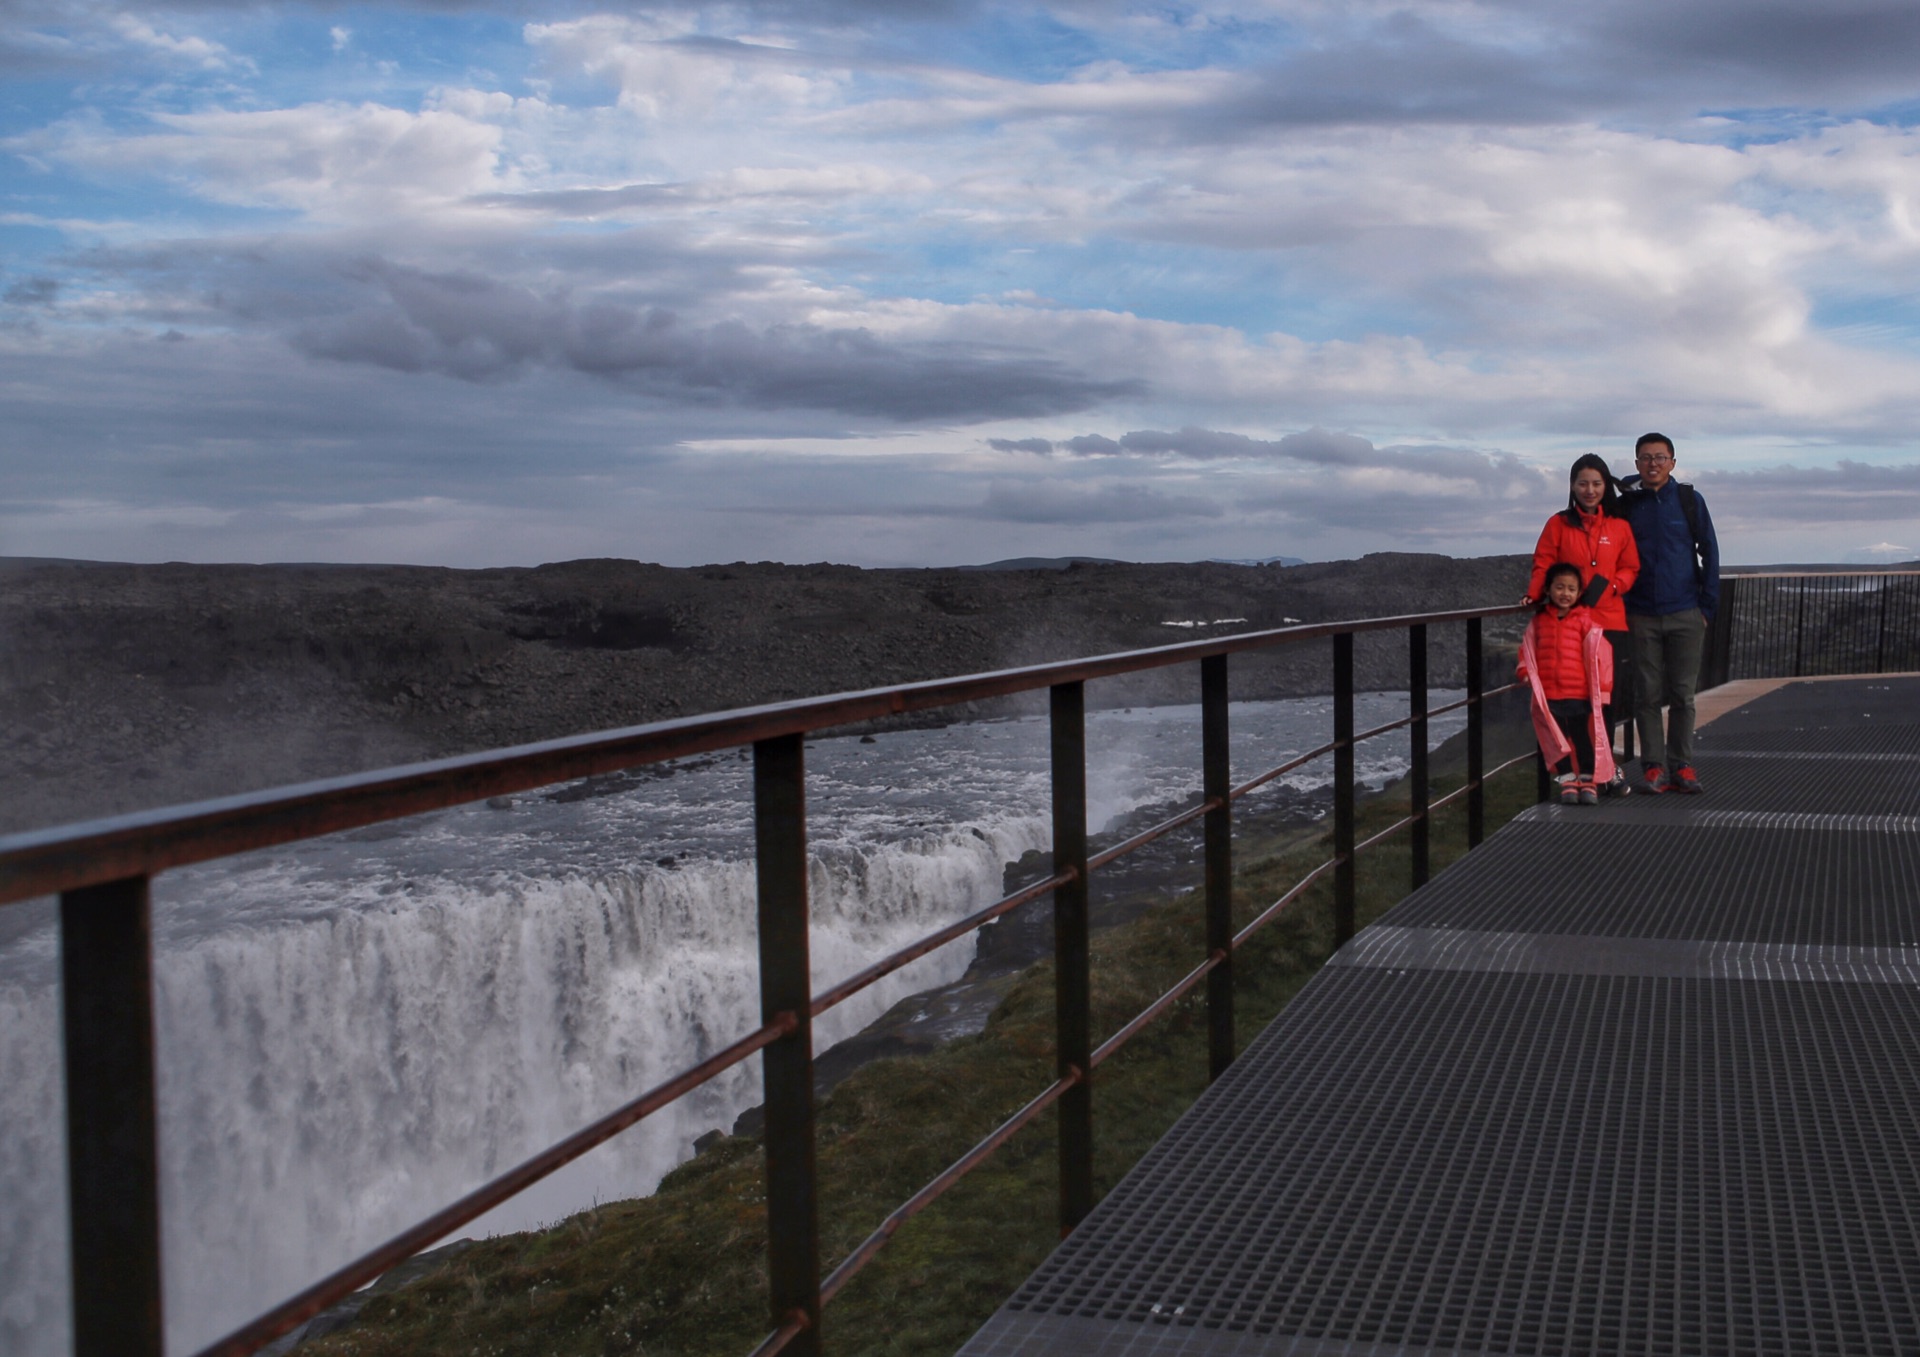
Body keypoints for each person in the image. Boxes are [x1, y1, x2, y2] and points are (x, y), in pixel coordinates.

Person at [1525, 452, 1640, 793]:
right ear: (1573, 487)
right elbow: (1543, 563)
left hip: (1608, 623)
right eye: (1582, 483)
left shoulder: (1619, 527)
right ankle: (1582, 775)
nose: (1589, 490)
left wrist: (1613, 585)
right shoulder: (1557, 524)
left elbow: (1630, 567)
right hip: (1571, 626)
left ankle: (1603, 771)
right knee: (1574, 706)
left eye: (1596, 483)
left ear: (1606, 486)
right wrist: (1534, 596)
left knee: (1604, 703)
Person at [1617, 431, 1719, 794]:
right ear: (1637, 464)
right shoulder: (1627, 504)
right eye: (1646, 458)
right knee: (1646, 693)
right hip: (1641, 612)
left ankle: (1682, 765)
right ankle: (1653, 766)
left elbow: (1709, 551)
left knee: (1682, 694)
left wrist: (1706, 606)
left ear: (1672, 463)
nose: (1653, 464)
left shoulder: (1690, 500)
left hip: (1685, 612)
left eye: (1660, 457)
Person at [1518, 562, 1615, 804]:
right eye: (1559, 587)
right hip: (1549, 694)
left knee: (1582, 737)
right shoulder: (1539, 622)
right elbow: (1526, 650)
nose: (1565, 593)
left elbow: (1601, 656)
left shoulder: (1585, 621)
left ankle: (1588, 781)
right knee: (1554, 738)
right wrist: (1524, 671)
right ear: (1548, 590)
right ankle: (1567, 780)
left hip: (1578, 693)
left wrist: (1603, 691)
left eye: (1572, 589)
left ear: (1579, 593)